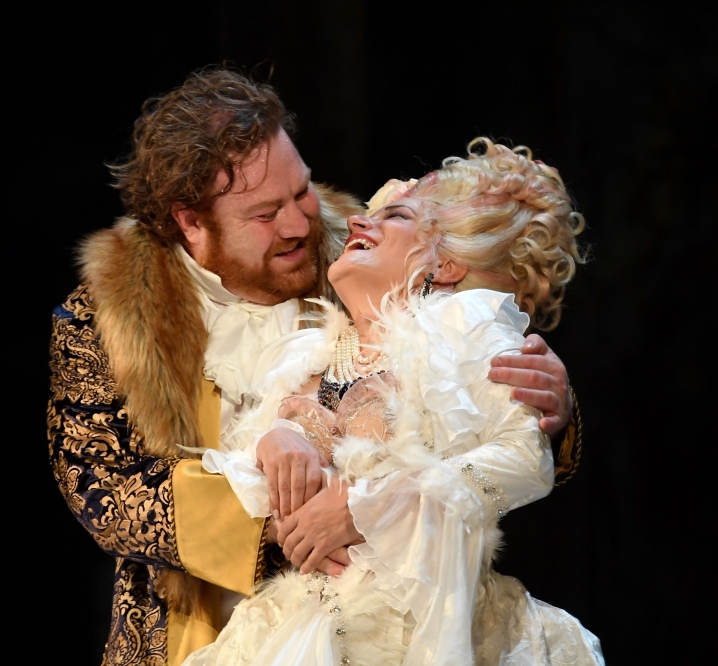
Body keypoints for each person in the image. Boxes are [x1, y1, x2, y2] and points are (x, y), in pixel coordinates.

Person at [47, 69, 579, 666]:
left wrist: (550, 407)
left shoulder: (359, 246)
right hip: (198, 623)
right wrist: (293, 515)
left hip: (392, 619)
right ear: (190, 221)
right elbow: (103, 487)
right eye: (265, 213)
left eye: (300, 190)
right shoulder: (104, 316)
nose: (300, 223)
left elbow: (468, 395)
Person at [184, 139, 603, 666]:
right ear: (190, 218)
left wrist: (369, 508)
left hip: (421, 627)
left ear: (446, 265)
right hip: (291, 626)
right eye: (264, 211)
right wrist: (274, 440)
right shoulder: (314, 358)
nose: (358, 222)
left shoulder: (464, 331)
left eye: (395, 215)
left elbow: (523, 459)